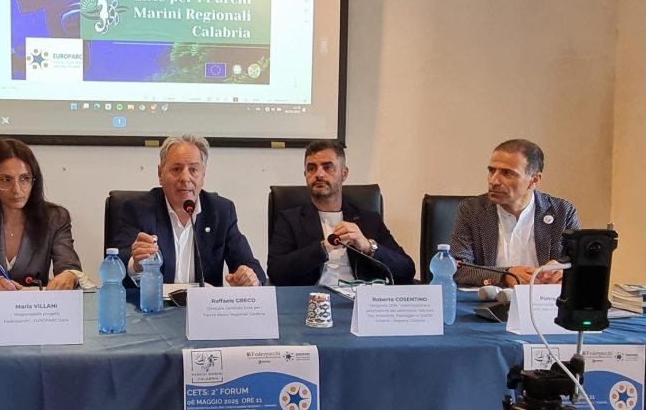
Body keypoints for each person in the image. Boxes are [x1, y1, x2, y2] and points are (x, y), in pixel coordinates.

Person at [113, 134, 265, 287]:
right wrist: (135, 265)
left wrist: (249, 277)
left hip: (204, 302)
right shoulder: (136, 209)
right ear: (160, 173)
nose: (185, 178)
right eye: (176, 169)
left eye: (193, 170)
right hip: (155, 301)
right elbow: (118, 265)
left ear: (203, 175)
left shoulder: (221, 212)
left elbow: (250, 265)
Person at [268, 140, 415, 286]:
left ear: (344, 174)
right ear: (305, 174)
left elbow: (406, 270)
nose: (319, 174)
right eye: (312, 168)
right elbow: (276, 272)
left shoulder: (368, 219)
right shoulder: (290, 220)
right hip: (314, 297)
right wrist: (322, 248)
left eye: (328, 167)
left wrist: (368, 246)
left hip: (360, 297)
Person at [0, 138, 82, 293]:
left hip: (35, 307)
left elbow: (70, 267)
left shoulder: (55, 218)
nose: (17, 190)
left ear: (34, 180)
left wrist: (69, 275)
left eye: (24, 178)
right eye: (6, 180)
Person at [451, 139, 579, 287]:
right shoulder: (472, 210)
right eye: (492, 171)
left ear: (534, 180)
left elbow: (577, 264)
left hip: (544, 299)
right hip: (490, 299)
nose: (493, 181)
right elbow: (458, 268)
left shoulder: (562, 212)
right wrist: (505, 276)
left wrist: (562, 270)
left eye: (507, 173)